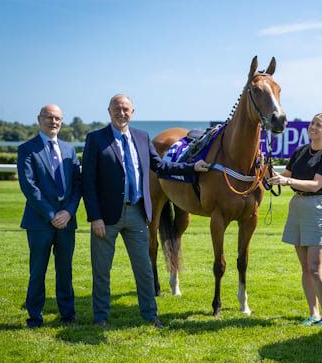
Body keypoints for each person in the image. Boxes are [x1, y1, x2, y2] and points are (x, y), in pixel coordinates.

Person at [82, 94, 209, 328]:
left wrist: (191, 168)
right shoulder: (96, 139)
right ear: (109, 111)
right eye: (117, 109)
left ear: (133, 112)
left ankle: (150, 315)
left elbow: (160, 166)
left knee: (144, 269)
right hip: (106, 217)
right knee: (101, 270)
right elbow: (87, 181)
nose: (121, 113)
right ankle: (100, 317)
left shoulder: (141, 137)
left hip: (138, 214)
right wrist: (95, 217)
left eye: (126, 109)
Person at [268, 113, 322, 326]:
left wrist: (286, 180)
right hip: (298, 206)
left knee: (315, 268)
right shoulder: (300, 151)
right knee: (305, 268)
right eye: (311, 124)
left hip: (319, 208)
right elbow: (284, 174)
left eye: (318, 125)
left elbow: (316, 185)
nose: (313, 128)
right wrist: (266, 167)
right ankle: (313, 313)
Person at [17, 104, 81, 328]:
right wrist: (52, 214)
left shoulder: (69, 149)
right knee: (37, 271)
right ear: (39, 119)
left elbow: (77, 185)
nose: (53, 122)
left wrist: (68, 212)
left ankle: (68, 314)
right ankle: (34, 316)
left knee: (65, 271)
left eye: (58, 119)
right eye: (49, 118)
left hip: (67, 221)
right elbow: (29, 186)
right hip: (39, 221)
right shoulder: (27, 149)